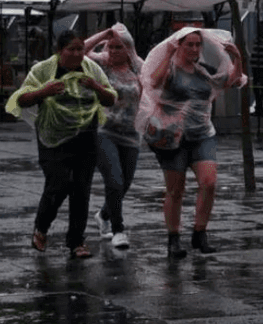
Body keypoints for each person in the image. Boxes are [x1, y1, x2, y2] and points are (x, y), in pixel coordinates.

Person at [135, 28, 245, 259]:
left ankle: (200, 232)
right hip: (172, 137)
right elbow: (153, 82)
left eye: (198, 45)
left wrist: (237, 58)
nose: (194, 49)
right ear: (180, 45)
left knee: (209, 182)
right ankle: (173, 238)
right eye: (189, 45)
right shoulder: (171, 70)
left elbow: (233, 81)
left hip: (202, 134)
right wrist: (168, 53)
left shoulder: (204, 72)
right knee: (176, 190)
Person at [6, 30, 117, 259]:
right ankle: (42, 227)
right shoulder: (44, 70)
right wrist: (43, 92)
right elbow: (21, 99)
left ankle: (76, 241)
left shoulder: (91, 68)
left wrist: (96, 88)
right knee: (59, 182)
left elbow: (110, 98)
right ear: (59, 51)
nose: (77, 54)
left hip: (85, 136)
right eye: (72, 49)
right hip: (52, 138)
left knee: (81, 188)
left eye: (80, 49)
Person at [84, 24, 144, 250]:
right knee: (114, 180)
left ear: (128, 49)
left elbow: (155, 85)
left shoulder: (138, 67)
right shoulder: (102, 64)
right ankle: (118, 230)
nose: (114, 51)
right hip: (105, 131)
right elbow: (82, 50)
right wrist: (104, 35)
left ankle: (103, 214)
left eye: (119, 47)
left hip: (131, 133)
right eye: (111, 47)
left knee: (125, 184)